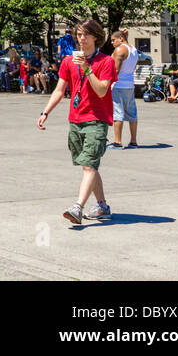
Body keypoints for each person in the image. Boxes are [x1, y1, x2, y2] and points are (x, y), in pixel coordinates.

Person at [38, 18, 117, 224]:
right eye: (79, 35)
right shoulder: (67, 62)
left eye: (85, 35)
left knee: (89, 165)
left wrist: (87, 69)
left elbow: (101, 90)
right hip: (76, 119)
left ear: (96, 37)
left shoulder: (106, 61)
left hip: (97, 120)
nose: (81, 39)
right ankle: (102, 206)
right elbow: (59, 90)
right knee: (88, 165)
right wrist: (45, 112)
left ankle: (77, 207)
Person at [109, 28, 139, 148]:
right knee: (132, 114)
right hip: (130, 85)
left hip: (118, 85)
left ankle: (117, 142)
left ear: (120, 38)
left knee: (118, 113)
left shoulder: (120, 49)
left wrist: (105, 83)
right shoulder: (133, 49)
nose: (112, 43)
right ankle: (133, 141)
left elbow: (115, 70)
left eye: (113, 40)